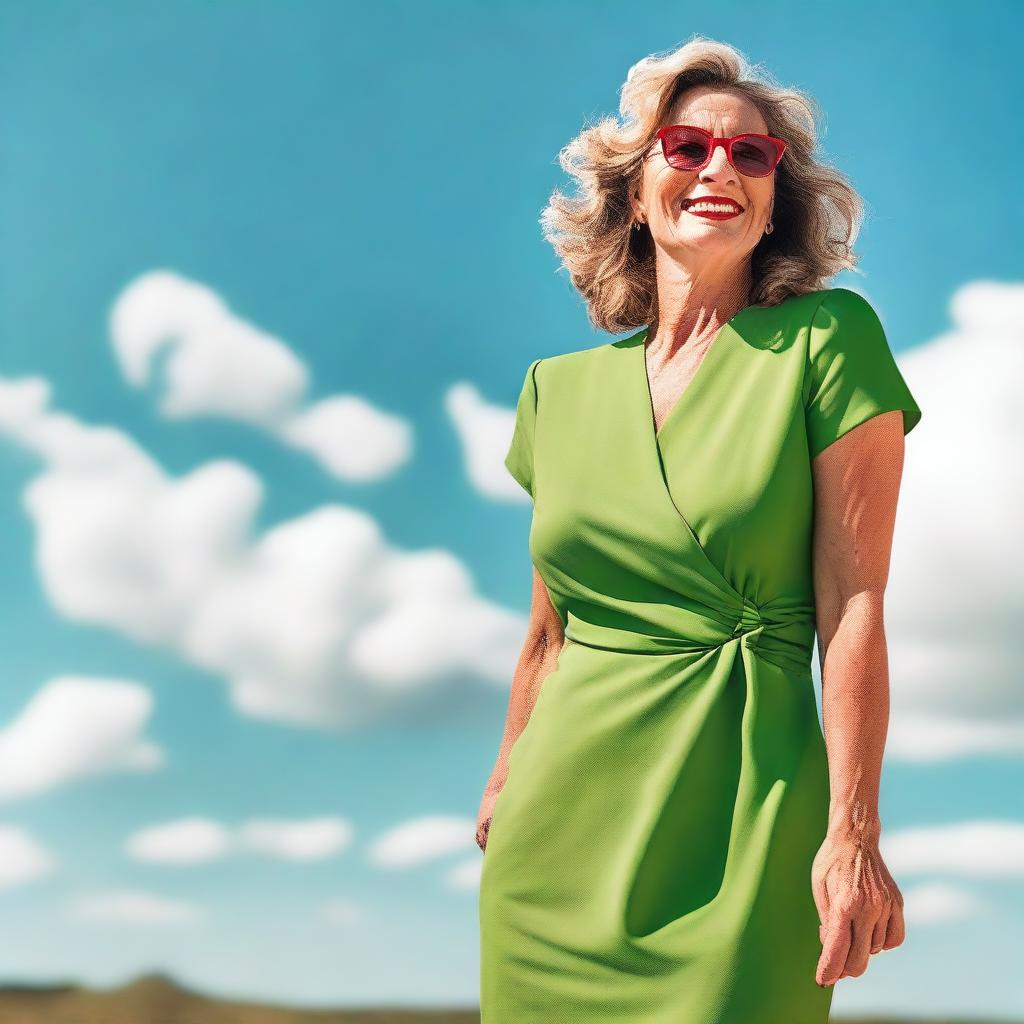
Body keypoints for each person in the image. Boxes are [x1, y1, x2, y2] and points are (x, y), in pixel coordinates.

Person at [477, 35, 921, 1024]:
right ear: (634, 191)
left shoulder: (828, 340)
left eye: (751, 155)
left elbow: (854, 604)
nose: (720, 167)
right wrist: (507, 774)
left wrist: (851, 833)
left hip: (746, 809)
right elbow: (551, 632)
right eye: (686, 148)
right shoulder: (556, 391)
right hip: (557, 836)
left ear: (775, 197)